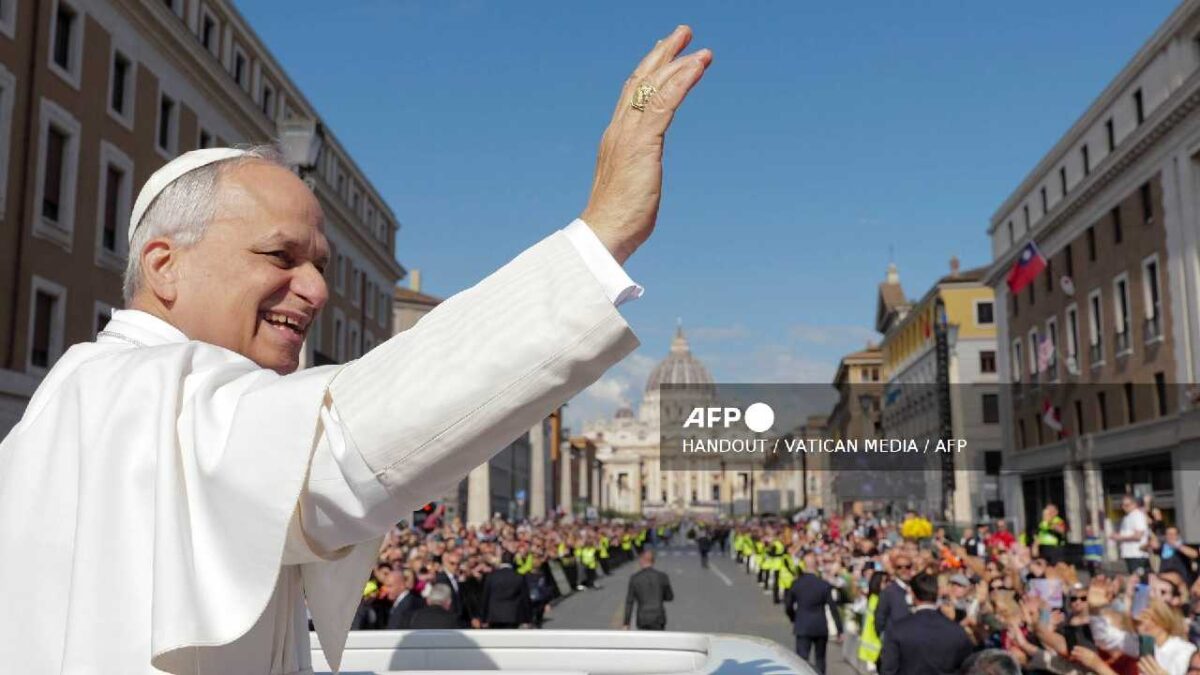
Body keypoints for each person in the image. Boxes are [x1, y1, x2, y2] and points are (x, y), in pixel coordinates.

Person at [0, 26, 712, 673]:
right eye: (280, 255)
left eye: (320, 266)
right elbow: (346, 443)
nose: (313, 290)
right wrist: (602, 235)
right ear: (163, 265)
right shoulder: (149, 390)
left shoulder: (72, 402)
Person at [878, 572, 973, 675]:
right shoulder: (957, 631)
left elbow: (888, 670)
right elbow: (965, 668)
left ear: (913, 595)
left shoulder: (898, 630)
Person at [784, 553, 843, 674]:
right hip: (820, 625)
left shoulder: (797, 584)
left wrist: (793, 617)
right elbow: (833, 608)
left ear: (804, 565)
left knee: (801, 660)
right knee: (820, 659)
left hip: (803, 624)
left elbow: (788, 605)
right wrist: (839, 629)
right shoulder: (823, 585)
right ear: (816, 565)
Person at [623, 549, 675, 630]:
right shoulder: (662, 576)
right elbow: (670, 597)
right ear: (653, 561)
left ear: (641, 560)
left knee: (644, 641)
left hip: (643, 617)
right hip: (659, 616)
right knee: (658, 641)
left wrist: (626, 623)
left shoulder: (635, 578)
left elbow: (629, 602)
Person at [481, 552, 531, 629]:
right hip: (513, 615)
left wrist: (483, 619)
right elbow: (525, 598)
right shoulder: (519, 577)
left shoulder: (491, 576)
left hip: (494, 615)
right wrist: (527, 619)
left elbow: (485, 597)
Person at [874, 552, 914, 638]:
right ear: (895, 570)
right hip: (895, 641)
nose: (904, 570)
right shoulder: (888, 592)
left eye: (908, 567)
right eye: (899, 567)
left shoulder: (917, 589)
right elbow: (880, 619)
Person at [1112, 494, 1151, 575]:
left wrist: (1119, 537)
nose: (1123, 507)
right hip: (1130, 554)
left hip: (1137, 555)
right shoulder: (1127, 517)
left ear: (1134, 504)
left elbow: (1138, 535)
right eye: (1122, 505)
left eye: (1127, 505)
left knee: (1139, 580)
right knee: (1135, 579)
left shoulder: (1137, 515)